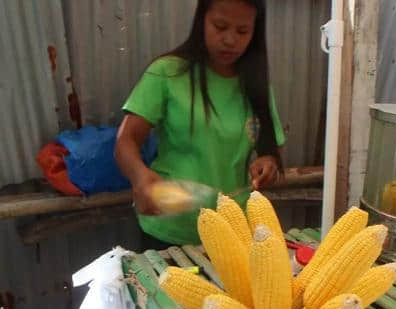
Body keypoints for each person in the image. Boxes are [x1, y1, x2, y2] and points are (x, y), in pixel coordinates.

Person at [115, 0, 286, 247]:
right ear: (201, 22)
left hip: (232, 231)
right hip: (169, 229)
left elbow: (272, 149)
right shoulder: (168, 73)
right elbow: (125, 141)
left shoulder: (256, 83)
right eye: (220, 26)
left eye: (242, 31)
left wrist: (268, 163)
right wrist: (139, 176)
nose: (230, 40)